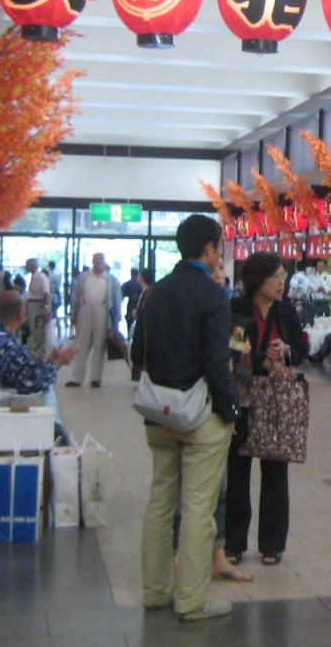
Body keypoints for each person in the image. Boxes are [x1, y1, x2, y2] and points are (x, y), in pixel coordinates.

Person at [131, 214, 241, 622]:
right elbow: (216, 361)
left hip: (159, 414)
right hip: (200, 415)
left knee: (161, 501)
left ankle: (155, 591)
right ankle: (191, 601)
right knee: (198, 508)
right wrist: (230, 409)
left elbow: (136, 353)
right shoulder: (213, 296)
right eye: (219, 248)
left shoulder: (154, 293)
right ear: (209, 249)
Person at [226, 252, 307, 567]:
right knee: (238, 469)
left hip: (276, 398)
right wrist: (263, 359)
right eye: (276, 277)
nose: (281, 283)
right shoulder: (237, 309)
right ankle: (234, 542)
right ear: (257, 279)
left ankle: (272, 544)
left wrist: (286, 351)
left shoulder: (286, 311)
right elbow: (234, 351)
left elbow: (300, 351)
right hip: (243, 394)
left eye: (284, 276)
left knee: (275, 470)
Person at [0, 291, 76, 432]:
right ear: (20, 314)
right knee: (57, 432)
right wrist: (59, 363)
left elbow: (23, 369)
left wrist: (48, 361)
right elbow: (35, 382)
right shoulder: (7, 344)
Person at [66, 252, 122, 389]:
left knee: (99, 345)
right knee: (81, 345)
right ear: (92, 261)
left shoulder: (111, 279)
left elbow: (117, 300)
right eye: (96, 260)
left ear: (104, 263)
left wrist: (116, 322)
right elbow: (75, 294)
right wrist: (73, 311)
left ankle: (95, 378)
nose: (98, 263)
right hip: (85, 311)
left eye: (100, 260)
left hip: (102, 312)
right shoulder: (83, 277)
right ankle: (77, 377)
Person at [24, 258, 52, 359]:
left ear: (32, 266)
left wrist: (46, 308)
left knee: (39, 330)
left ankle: (39, 354)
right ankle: (36, 352)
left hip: (38, 305)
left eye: (27, 265)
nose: (26, 267)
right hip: (33, 305)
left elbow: (46, 294)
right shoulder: (34, 277)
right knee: (34, 330)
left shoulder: (40, 277)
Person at [122, 267, 143, 338]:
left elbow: (121, 296)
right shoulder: (141, 284)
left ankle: (129, 337)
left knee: (130, 324)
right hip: (140, 307)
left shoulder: (127, 284)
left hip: (130, 307)